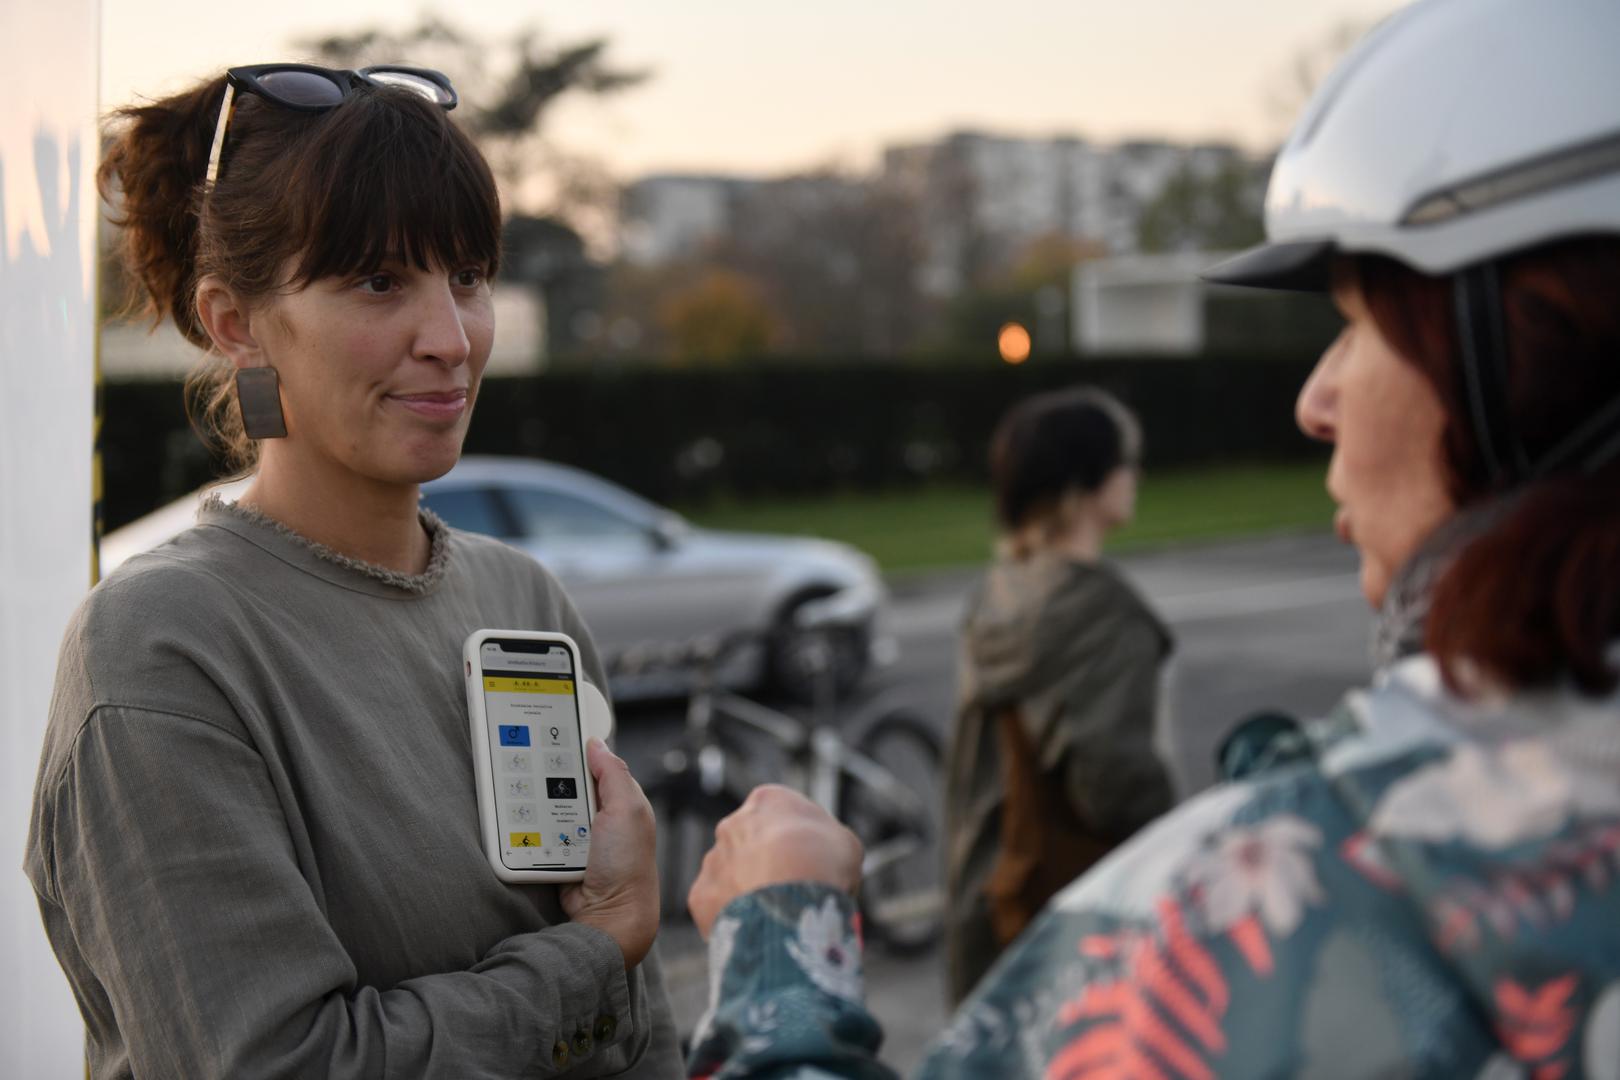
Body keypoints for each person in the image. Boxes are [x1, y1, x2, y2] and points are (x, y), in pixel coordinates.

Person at [615, 0, 1620, 1075]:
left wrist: (778, 948)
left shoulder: (1288, 893)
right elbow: (1116, 779)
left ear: (1519, 364)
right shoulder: (1105, 619)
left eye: (1360, 322)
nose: (1315, 400)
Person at [24, 64, 680, 1078]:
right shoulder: (162, 646)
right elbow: (276, 1066)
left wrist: (613, 967)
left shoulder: (521, 601)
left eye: (467, 275)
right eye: (379, 281)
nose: (451, 339)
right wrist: (593, 952)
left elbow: (638, 1036)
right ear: (237, 322)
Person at [945, 387, 1174, 1004]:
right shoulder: (1103, 614)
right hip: (1080, 934)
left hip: (987, 905)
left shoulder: (997, 594)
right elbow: (1115, 785)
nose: (1136, 475)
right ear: (1087, 483)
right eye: (1125, 460)